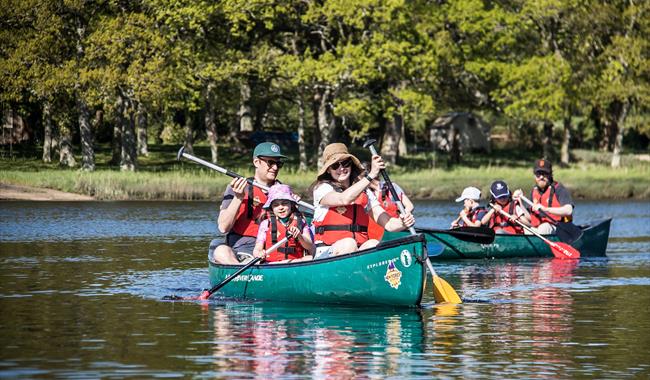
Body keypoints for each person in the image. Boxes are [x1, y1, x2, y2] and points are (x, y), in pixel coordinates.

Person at [310, 143, 415, 257]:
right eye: (335, 165)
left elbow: (389, 224)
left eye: (345, 163)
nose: (341, 168)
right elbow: (344, 199)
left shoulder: (365, 192)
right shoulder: (322, 189)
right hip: (327, 251)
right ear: (329, 170)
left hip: (356, 251)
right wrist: (371, 175)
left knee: (373, 244)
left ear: (351, 165)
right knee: (349, 244)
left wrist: (403, 222)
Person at [211, 142, 287, 264]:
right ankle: (241, 275)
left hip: (274, 250)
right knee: (221, 251)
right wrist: (238, 198)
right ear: (256, 162)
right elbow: (223, 227)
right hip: (243, 251)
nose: (275, 168)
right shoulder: (237, 188)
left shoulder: (284, 192)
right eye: (270, 163)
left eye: (279, 163)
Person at [252, 184, 315, 264]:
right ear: (271, 208)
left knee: (308, 258)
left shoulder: (301, 222)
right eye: (276, 205)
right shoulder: (266, 224)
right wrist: (258, 254)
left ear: (291, 205)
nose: (280, 207)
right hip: (273, 264)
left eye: (284, 203)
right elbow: (257, 248)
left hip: (295, 263)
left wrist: (299, 236)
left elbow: (309, 246)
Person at [513, 158, 574, 235]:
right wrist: (520, 202)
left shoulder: (559, 189)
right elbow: (530, 217)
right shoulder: (534, 191)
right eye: (538, 174)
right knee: (522, 230)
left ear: (550, 175)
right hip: (537, 229)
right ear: (534, 175)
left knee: (544, 227)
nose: (541, 177)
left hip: (558, 228)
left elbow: (569, 210)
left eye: (544, 174)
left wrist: (546, 209)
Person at [365, 162, 415, 241]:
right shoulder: (365, 193)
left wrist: (404, 217)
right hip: (373, 236)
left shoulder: (391, 187)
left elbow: (409, 206)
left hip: (395, 231)